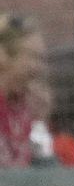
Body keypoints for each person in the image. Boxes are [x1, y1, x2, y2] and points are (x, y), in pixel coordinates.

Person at [0, 13, 47, 167]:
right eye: (32, 57)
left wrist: (38, 121)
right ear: (3, 55)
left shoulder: (26, 106)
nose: (38, 68)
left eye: (40, 59)